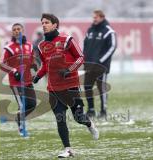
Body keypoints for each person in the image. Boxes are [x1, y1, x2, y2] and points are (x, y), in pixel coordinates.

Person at [33, 13, 99, 158]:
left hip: (71, 86)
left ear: (55, 24)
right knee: (60, 118)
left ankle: (89, 124)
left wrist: (69, 70)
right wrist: (37, 75)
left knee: (78, 117)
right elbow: (45, 64)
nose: (44, 25)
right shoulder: (41, 45)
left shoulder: (67, 39)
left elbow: (80, 57)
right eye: (42, 22)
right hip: (53, 89)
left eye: (47, 22)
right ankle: (68, 149)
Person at [1, 23, 37, 135]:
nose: (17, 31)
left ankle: (18, 117)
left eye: (18, 29)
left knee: (32, 104)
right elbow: (3, 64)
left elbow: (32, 61)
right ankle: (22, 129)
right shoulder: (9, 47)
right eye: (14, 30)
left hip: (28, 80)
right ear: (12, 32)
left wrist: (35, 68)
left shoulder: (29, 46)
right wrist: (14, 71)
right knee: (22, 105)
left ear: (23, 30)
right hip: (16, 82)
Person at [83, 10, 117, 118]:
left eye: (96, 17)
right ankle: (91, 110)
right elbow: (85, 45)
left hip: (101, 66)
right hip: (89, 65)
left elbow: (113, 47)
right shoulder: (90, 30)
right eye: (93, 17)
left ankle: (103, 111)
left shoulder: (109, 31)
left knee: (101, 88)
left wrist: (101, 61)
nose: (94, 19)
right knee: (87, 86)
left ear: (102, 17)